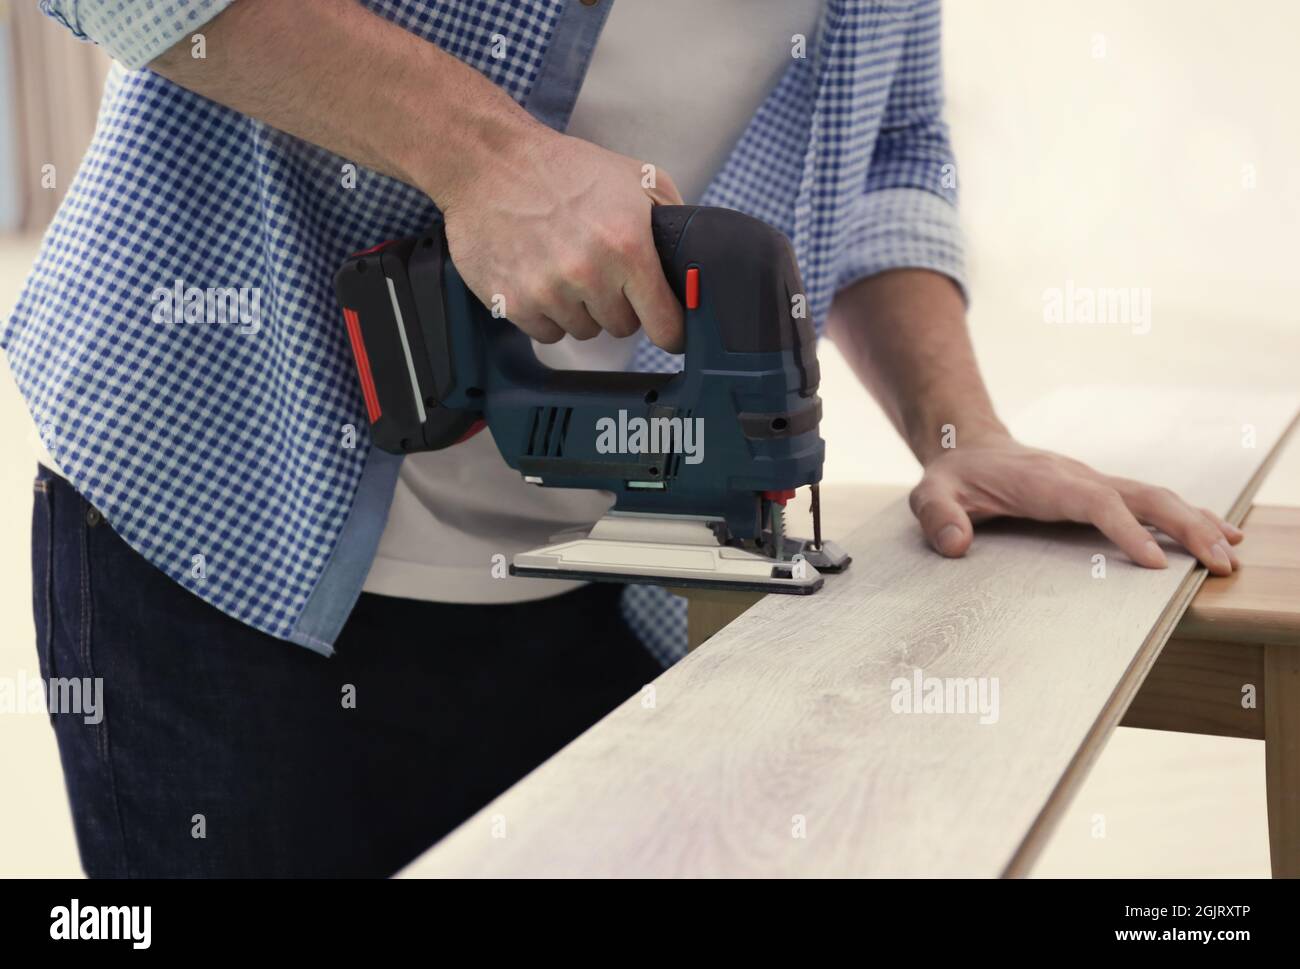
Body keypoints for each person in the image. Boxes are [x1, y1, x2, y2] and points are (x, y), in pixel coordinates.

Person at [6, 0, 1242, 877]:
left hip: (608, 586)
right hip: (226, 536)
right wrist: (484, 159)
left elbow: (886, 159)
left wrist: (958, 430)